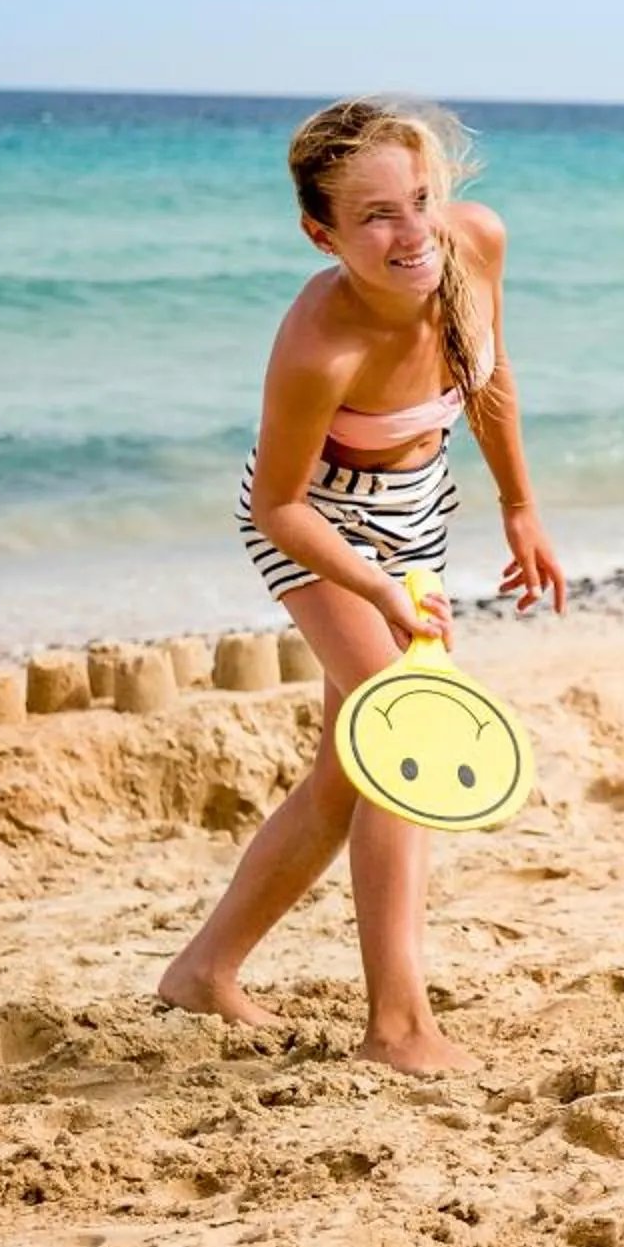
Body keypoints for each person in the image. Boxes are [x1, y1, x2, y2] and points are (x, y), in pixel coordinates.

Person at [159, 96, 565, 1073]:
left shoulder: (477, 244)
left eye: (420, 198)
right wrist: (378, 592)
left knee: (349, 772)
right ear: (322, 232)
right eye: (377, 214)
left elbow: (492, 376)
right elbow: (279, 506)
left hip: (419, 504)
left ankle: (204, 970)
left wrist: (518, 507)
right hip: (318, 523)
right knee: (406, 729)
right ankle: (398, 1026)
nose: (412, 230)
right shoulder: (318, 343)